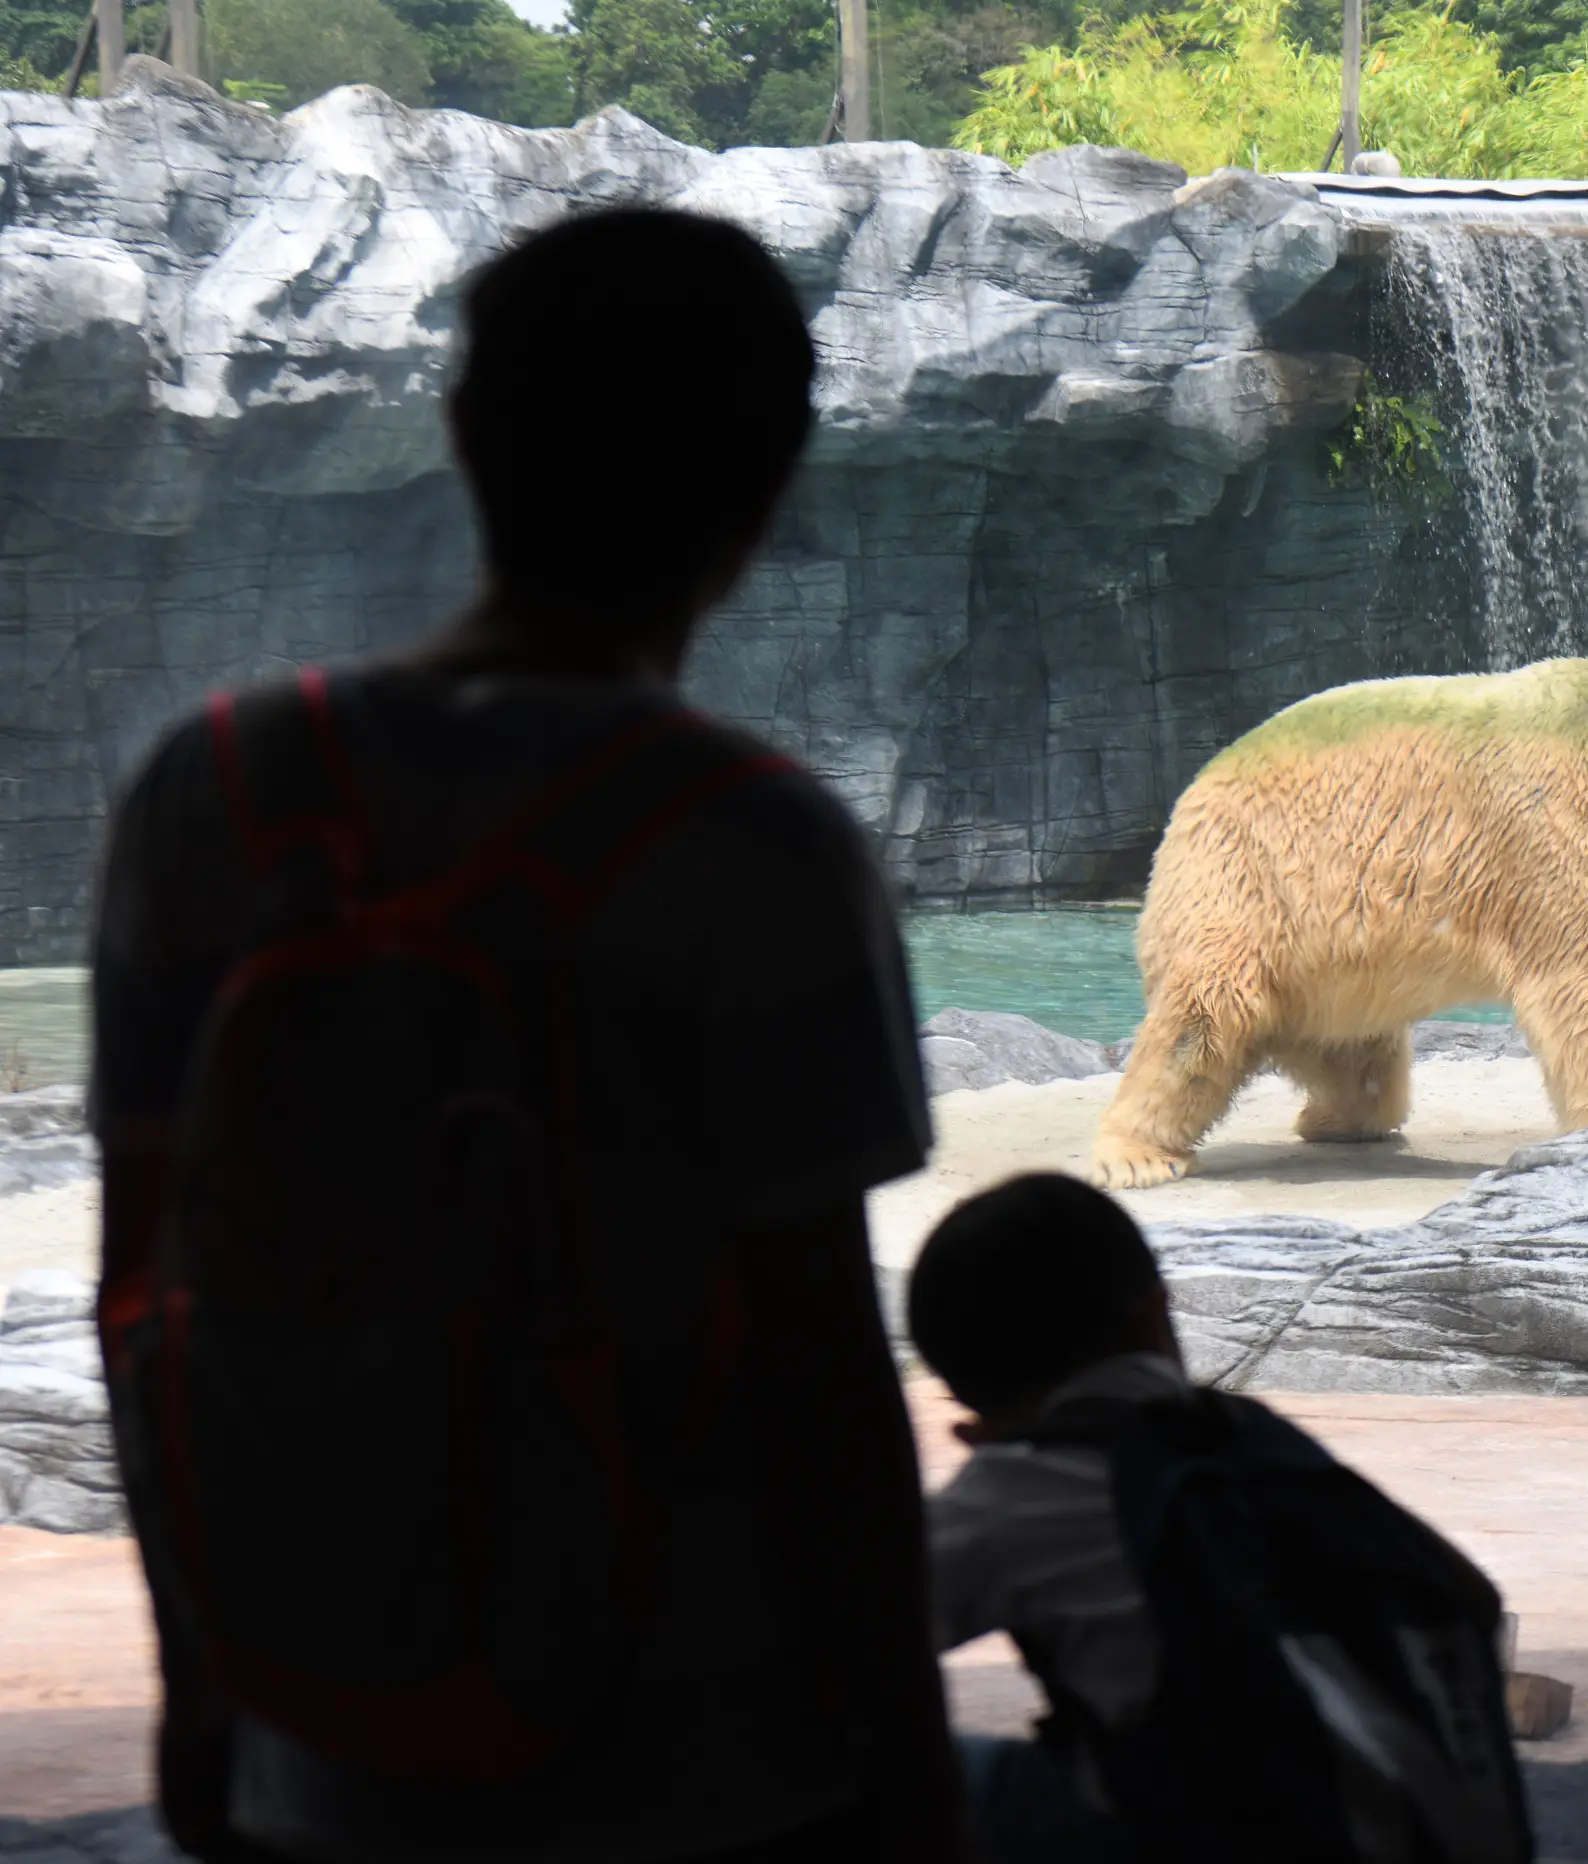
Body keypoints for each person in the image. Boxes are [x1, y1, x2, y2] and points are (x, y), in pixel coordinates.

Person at [91, 209, 962, 1862]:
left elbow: (145, 1285)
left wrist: (201, 1680)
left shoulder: (213, 788)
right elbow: (821, 1374)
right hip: (706, 1750)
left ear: (464, 429)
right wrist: (910, 1772)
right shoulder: (755, 841)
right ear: (766, 490)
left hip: (326, 1719)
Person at [907, 1173, 1189, 1864]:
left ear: (964, 1395)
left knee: (929, 1771)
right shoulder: (1266, 1446)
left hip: (1198, 1831)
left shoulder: (1015, 1489)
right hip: (1411, 1810)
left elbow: (850, 1633)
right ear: (1156, 1316)